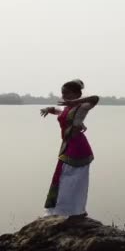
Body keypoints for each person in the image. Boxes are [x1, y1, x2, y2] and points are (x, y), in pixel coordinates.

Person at [40, 79, 99, 217]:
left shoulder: (82, 107)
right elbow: (58, 111)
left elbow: (96, 99)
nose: (63, 96)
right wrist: (48, 109)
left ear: (76, 94)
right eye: (62, 93)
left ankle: (74, 211)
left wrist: (75, 102)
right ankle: (61, 210)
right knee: (61, 178)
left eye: (67, 93)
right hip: (68, 145)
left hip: (78, 147)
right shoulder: (67, 108)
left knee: (73, 181)